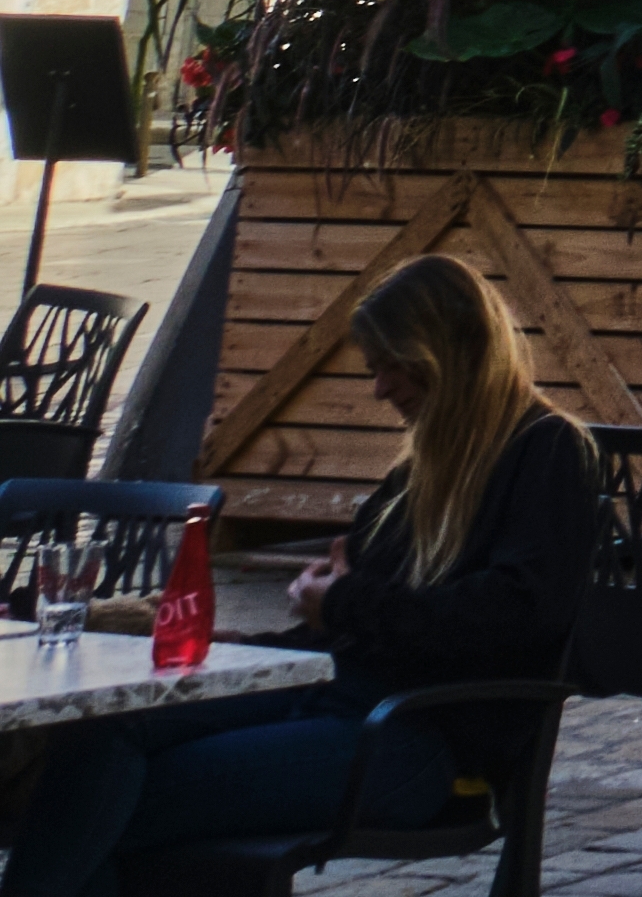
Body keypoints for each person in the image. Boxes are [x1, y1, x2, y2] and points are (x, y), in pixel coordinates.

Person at [3, 253, 599, 891]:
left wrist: (343, 601)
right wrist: (253, 654)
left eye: (392, 367)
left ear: (445, 352)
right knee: (104, 737)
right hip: (337, 696)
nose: (381, 389)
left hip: (418, 737)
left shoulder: (547, 450)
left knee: (110, 800)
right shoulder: (421, 468)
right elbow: (352, 624)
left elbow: (513, 613)